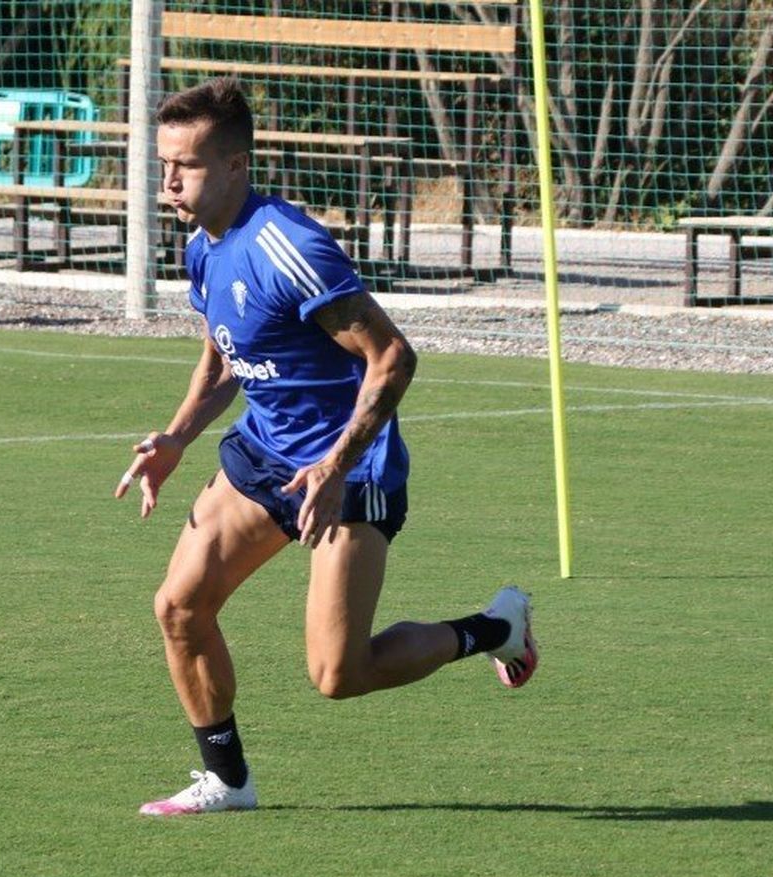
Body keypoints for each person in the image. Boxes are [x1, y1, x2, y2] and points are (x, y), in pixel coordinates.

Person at [114, 78, 537, 816]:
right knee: (179, 608)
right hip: (266, 454)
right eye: (164, 163)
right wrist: (179, 436)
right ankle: (227, 781)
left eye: (188, 164)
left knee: (339, 674)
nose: (170, 180)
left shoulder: (289, 247)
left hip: (350, 466)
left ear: (239, 166)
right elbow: (222, 359)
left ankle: (495, 629)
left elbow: (393, 358)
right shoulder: (202, 250)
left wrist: (336, 465)